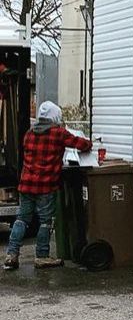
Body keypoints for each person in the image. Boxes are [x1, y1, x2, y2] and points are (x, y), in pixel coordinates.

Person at [4, 102, 92, 270]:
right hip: (45, 185)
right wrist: (90, 143)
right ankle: (42, 256)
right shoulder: (58, 133)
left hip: (26, 184)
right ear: (55, 116)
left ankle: (11, 254)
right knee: (45, 221)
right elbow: (82, 144)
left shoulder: (29, 134)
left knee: (22, 219)